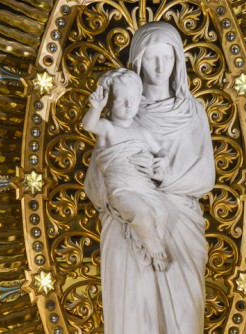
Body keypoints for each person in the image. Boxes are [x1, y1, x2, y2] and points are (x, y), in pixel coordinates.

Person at [84, 21, 215, 333]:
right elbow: (95, 179)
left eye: (167, 58)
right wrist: (121, 182)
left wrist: (164, 173)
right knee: (135, 313)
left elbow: (205, 175)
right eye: (152, 58)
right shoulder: (122, 110)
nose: (160, 67)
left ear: (178, 60)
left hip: (179, 222)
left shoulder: (193, 112)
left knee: (184, 315)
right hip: (127, 222)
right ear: (138, 60)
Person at [82, 68, 169, 272]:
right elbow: (88, 125)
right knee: (141, 211)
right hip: (121, 189)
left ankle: (143, 246)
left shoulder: (142, 131)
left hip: (145, 187)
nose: (130, 106)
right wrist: (95, 108)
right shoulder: (107, 129)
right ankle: (155, 249)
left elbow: (162, 151)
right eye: (122, 101)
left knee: (162, 212)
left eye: (133, 99)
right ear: (109, 104)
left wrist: (162, 162)